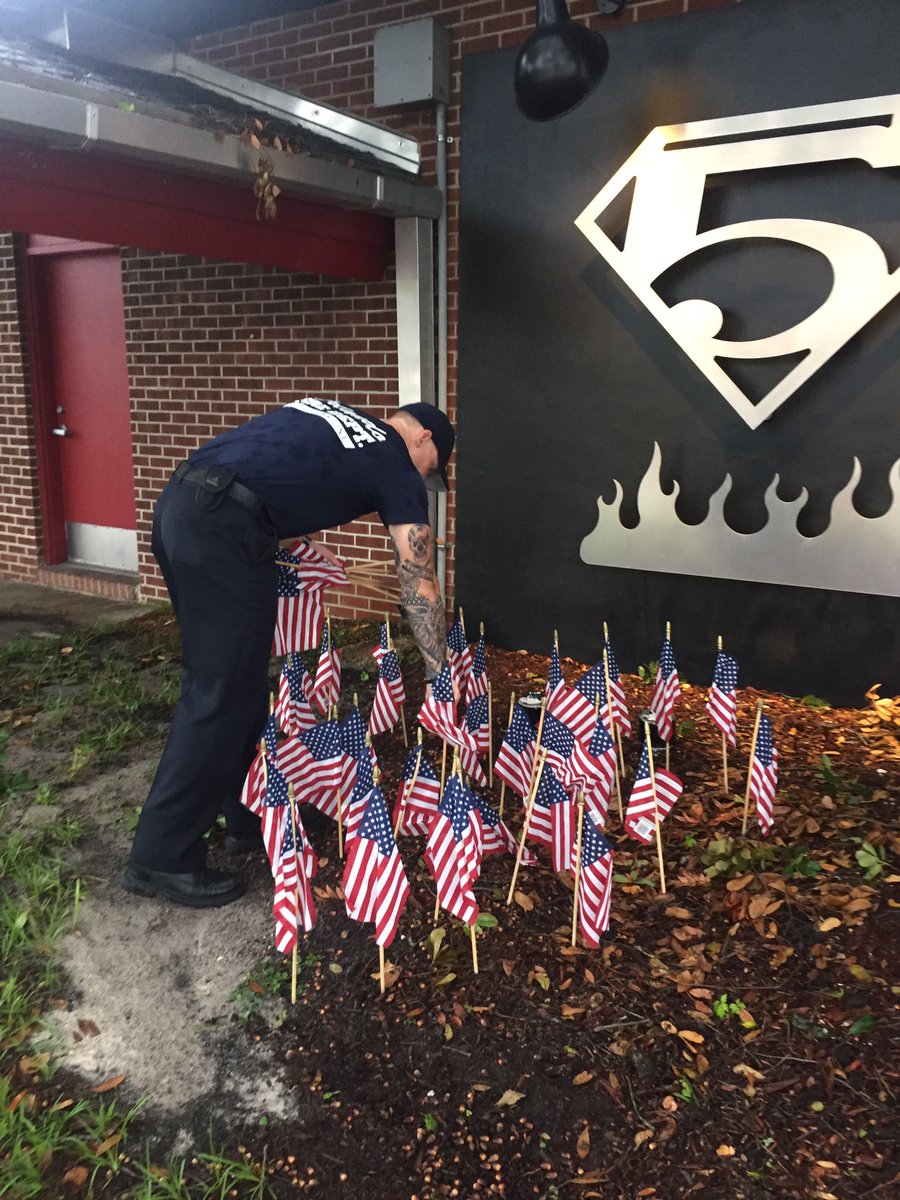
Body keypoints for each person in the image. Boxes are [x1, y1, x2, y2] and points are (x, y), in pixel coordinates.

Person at [123, 398, 455, 907]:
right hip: (222, 532)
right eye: (430, 474)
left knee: (242, 686)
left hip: (185, 507)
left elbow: (271, 464)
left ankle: (250, 814)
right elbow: (417, 578)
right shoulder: (396, 460)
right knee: (218, 692)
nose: (422, 483)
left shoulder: (332, 413)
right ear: (424, 437)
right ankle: (160, 856)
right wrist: (439, 672)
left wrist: (292, 539)